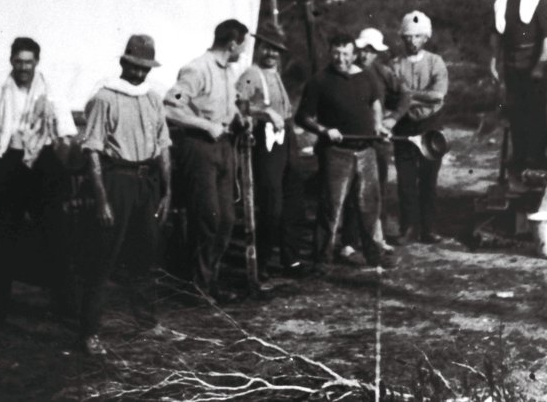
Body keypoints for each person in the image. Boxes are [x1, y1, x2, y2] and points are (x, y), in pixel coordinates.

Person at [71, 34, 172, 357]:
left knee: (146, 255)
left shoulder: (153, 99)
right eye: (134, 66)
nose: (139, 73)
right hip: (117, 181)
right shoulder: (105, 98)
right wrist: (102, 200)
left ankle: (147, 321)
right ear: (124, 63)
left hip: (146, 183)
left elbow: (163, 147)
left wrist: (167, 191)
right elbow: (93, 152)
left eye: (145, 67)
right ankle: (89, 332)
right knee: (104, 257)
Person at [0, 36, 78, 324]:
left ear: (36, 63)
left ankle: (65, 308)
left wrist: (57, 167)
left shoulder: (51, 91)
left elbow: (67, 134)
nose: (23, 67)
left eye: (28, 62)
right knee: (5, 241)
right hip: (10, 165)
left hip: (44, 165)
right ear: (11, 62)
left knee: (56, 239)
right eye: (18, 62)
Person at [164, 19, 251, 302]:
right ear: (233, 44)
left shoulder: (228, 71)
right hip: (200, 148)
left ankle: (208, 281)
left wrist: (238, 116)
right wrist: (204, 125)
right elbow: (169, 108)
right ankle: (197, 287)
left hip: (225, 148)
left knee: (226, 219)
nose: (244, 49)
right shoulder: (196, 69)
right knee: (208, 218)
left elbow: (226, 104)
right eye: (243, 44)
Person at [295, 34, 396, 271]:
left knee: (370, 206)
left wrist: (379, 126)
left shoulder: (366, 76)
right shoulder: (319, 81)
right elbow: (303, 117)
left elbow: (375, 104)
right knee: (331, 207)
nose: (341, 58)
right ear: (330, 53)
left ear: (354, 53)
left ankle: (374, 255)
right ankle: (322, 258)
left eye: (346, 53)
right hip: (336, 153)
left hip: (366, 151)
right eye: (336, 53)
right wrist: (324, 130)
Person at [235, 22, 306, 280]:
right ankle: (261, 263)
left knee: (293, 199)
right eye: (267, 48)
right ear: (259, 48)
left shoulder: (275, 74)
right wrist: (262, 112)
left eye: (276, 50)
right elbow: (236, 107)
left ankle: (291, 259)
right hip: (265, 143)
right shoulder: (251, 75)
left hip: (286, 139)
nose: (271, 54)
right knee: (271, 204)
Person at [340, 28, 405, 260]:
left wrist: (392, 118)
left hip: (377, 141)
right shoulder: (345, 71)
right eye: (363, 50)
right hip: (351, 139)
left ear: (377, 53)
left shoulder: (383, 72)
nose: (366, 55)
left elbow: (404, 97)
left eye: (371, 51)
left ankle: (378, 238)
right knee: (349, 191)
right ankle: (348, 240)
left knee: (376, 191)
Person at [489, 0, 547, 175]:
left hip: (533, 65)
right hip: (511, 65)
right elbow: (496, 33)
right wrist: (493, 60)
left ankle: (535, 160)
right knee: (515, 113)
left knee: (535, 114)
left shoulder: (540, 0)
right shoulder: (503, 0)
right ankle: (519, 159)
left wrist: (541, 63)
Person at [391, 12, 448, 245]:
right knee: (405, 181)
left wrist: (409, 96)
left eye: (417, 37)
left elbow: (438, 95)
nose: (411, 41)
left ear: (426, 37)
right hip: (404, 125)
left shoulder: (436, 62)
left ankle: (429, 229)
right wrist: (410, 100)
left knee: (428, 179)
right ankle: (408, 228)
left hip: (430, 125)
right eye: (407, 37)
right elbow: (392, 97)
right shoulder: (394, 64)